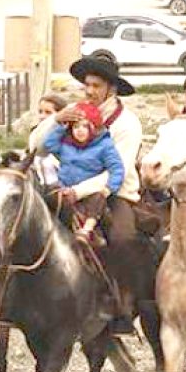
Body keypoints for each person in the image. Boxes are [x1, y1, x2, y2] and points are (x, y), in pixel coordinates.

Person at [29, 58, 143, 248]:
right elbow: (36, 148)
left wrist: (77, 192)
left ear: (112, 89)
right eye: (87, 85)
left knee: (123, 239)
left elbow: (118, 170)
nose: (89, 91)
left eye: (96, 86)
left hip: (114, 193)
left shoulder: (127, 123)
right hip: (65, 186)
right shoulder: (73, 112)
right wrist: (55, 120)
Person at [42, 102, 125, 246]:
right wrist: (62, 127)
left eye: (84, 126)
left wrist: (110, 187)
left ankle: (87, 230)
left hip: (87, 191)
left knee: (98, 199)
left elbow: (117, 168)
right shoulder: (67, 144)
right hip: (65, 188)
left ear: (93, 128)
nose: (80, 131)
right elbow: (49, 144)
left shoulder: (104, 146)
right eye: (75, 126)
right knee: (50, 197)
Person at [30, 93, 67, 187]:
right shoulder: (35, 133)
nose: (42, 116)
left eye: (48, 112)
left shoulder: (67, 135)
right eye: (40, 111)